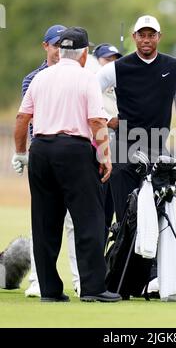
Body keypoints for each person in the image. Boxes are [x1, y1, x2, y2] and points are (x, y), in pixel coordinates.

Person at [12, 26, 121, 303]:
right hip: (75, 150)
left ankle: (49, 289)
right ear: (84, 53)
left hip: (41, 151)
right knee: (89, 220)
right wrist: (105, 157)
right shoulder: (87, 78)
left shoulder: (40, 78)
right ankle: (93, 287)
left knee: (45, 221)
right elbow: (97, 121)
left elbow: (23, 118)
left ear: (60, 51)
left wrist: (21, 152)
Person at [96, 15, 176, 225]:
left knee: (159, 220)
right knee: (126, 220)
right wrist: (107, 119)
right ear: (134, 37)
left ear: (159, 37)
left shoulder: (175, 67)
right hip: (124, 149)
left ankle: (155, 260)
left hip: (157, 148)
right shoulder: (116, 68)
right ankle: (123, 257)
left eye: (151, 35)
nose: (146, 39)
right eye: (141, 35)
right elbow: (87, 94)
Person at [19, 24, 81, 298]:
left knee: (73, 221)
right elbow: (28, 118)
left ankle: (80, 280)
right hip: (43, 153)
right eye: (55, 45)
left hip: (69, 153)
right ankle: (37, 279)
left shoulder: (78, 75)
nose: (59, 51)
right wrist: (24, 152)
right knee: (43, 220)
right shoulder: (33, 78)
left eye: (63, 46)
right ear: (45, 46)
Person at [92, 43, 122, 241]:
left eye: (115, 60)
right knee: (98, 214)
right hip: (96, 156)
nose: (111, 64)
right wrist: (110, 122)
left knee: (114, 210)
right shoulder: (93, 86)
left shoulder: (120, 89)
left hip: (118, 155)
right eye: (107, 59)